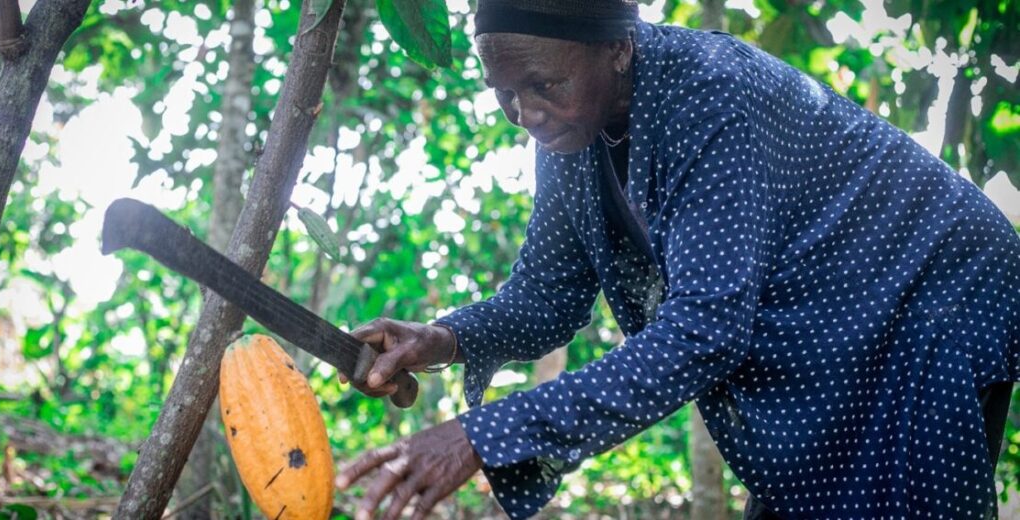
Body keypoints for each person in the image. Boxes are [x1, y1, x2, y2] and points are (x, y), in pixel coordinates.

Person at [334, 1, 1020, 519]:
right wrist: (441, 339)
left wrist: (485, 436)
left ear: (617, 48)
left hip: (930, 297)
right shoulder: (570, 137)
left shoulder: (711, 94)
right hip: (846, 338)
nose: (526, 113)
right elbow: (545, 297)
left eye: (542, 85)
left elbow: (706, 329)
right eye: (503, 92)